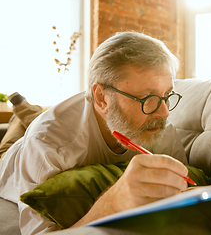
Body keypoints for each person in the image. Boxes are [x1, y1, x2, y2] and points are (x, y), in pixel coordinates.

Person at [0, 31, 189, 234]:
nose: (164, 112)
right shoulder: (47, 143)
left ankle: (25, 111)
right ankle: (21, 110)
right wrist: (111, 203)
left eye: (167, 94)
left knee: (33, 120)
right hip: (9, 160)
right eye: (146, 97)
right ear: (102, 98)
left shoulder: (158, 123)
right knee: (19, 131)